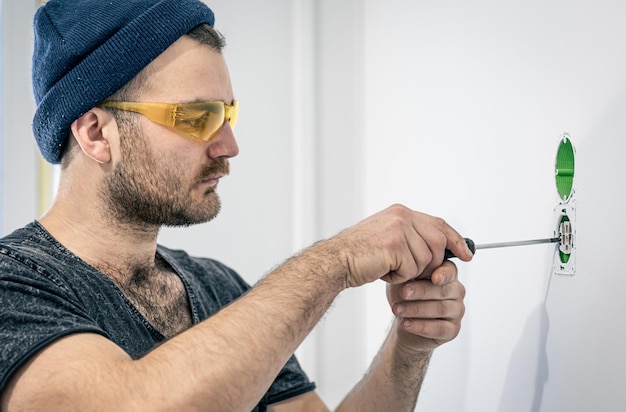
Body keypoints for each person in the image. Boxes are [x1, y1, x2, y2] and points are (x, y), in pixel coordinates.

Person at [0, 0, 473, 410]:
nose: (229, 145)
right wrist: (338, 259)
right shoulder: (13, 288)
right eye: (198, 116)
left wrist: (409, 346)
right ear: (95, 133)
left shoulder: (218, 288)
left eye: (228, 115)